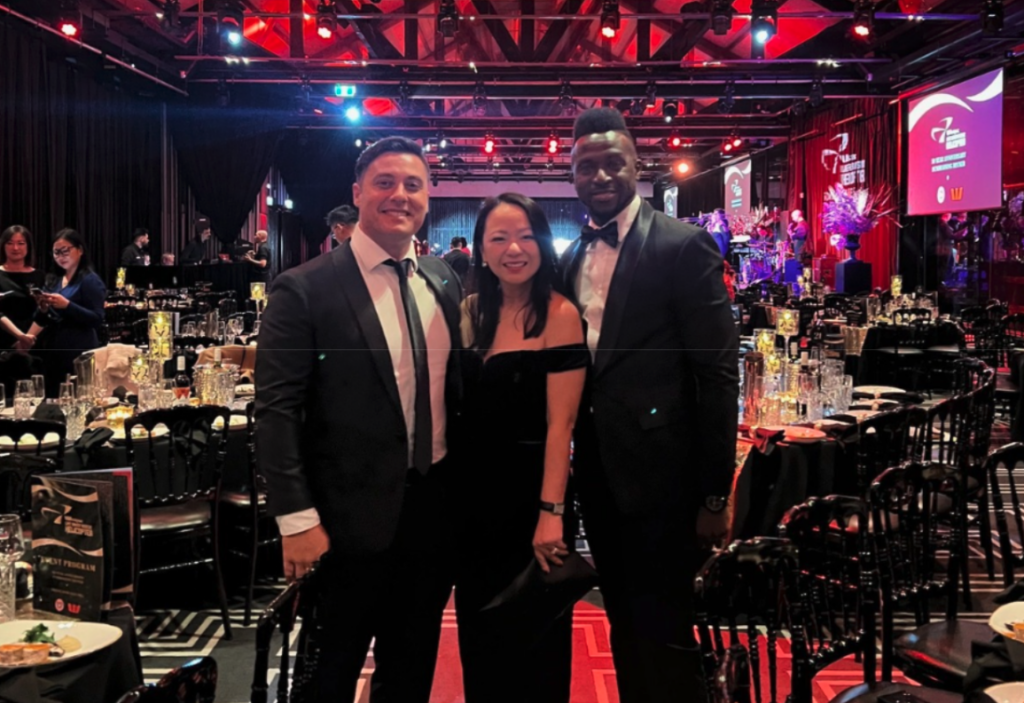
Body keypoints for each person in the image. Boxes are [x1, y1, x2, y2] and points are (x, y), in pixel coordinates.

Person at [255, 136, 462, 703]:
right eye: (385, 183)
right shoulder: (304, 288)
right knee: (328, 672)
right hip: (341, 522)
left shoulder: (443, 279)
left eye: (413, 184)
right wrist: (296, 519)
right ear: (358, 193)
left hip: (431, 513)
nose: (400, 195)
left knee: (412, 662)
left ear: (428, 196)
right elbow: (275, 411)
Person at [562, 108, 738, 703]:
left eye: (614, 163)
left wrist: (716, 493)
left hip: (669, 481)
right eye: (587, 166)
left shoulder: (683, 246)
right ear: (573, 175)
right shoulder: (571, 257)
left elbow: (717, 375)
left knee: (666, 628)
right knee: (622, 620)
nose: (601, 175)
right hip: (598, 477)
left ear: (637, 166)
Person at [455, 194, 586, 703]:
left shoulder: (560, 314)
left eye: (527, 235)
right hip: (473, 501)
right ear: (481, 249)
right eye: (499, 237)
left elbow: (562, 424)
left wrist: (550, 513)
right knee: (480, 636)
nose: (515, 248)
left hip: (534, 495)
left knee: (534, 638)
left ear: (543, 242)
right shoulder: (470, 312)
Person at [20, 229, 106, 397]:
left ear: (80, 250)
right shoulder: (54, 279)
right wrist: (43, 308)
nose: (61, 256)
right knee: (53, 400)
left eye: (65, 250)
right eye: (56, 252)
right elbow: (43, 318)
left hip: (79, 350)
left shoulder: (90, 280)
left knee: (77, 399)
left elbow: (97, 319)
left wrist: (67, 306)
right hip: (53, 351)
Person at [0, 226, 45, 350]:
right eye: (10, 243)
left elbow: (44, 311)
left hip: (34, 342)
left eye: (21, 243)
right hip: (3, 342)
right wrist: (20, 336)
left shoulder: (39, 276)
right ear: (3, 246)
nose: (15, 248)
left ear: (28, 246)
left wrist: (27, 339)